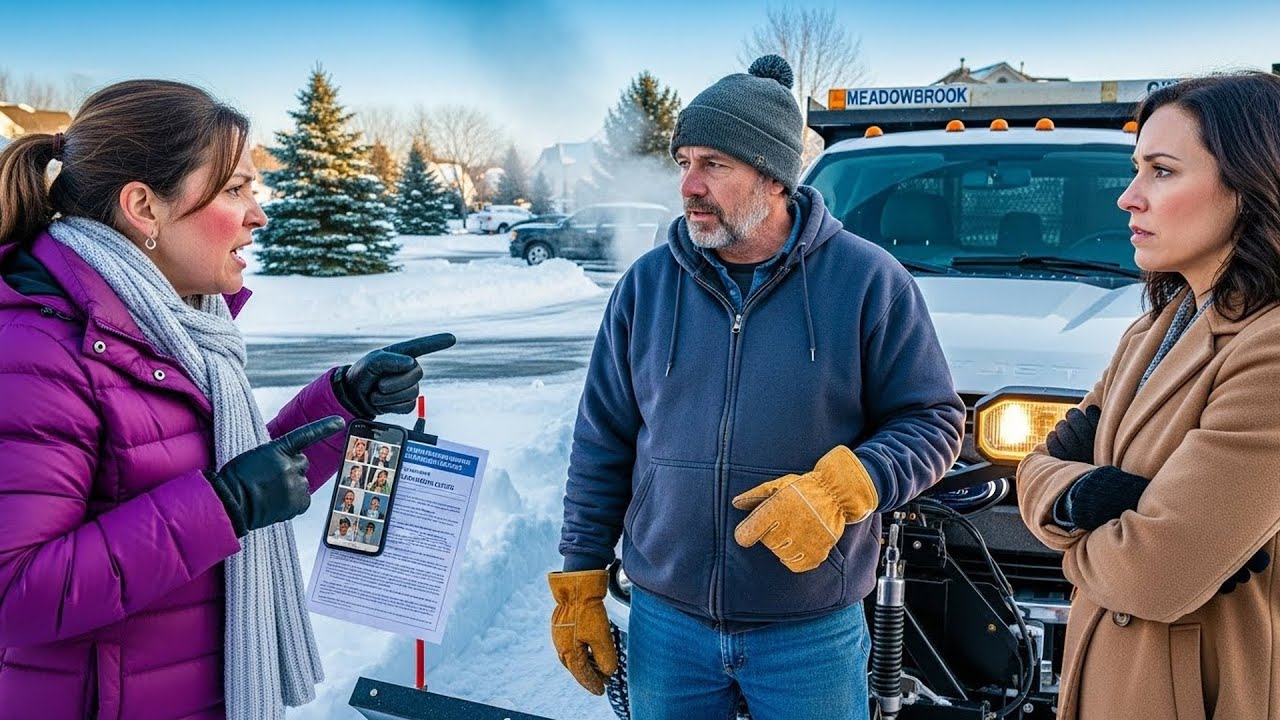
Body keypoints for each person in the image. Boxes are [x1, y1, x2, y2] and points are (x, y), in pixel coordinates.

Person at [0, 79, 454, 720]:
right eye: (235, 190)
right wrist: (223, 506)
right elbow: (14, 592)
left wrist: (345, 401)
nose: (258, 214)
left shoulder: (180, 327)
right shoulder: (39, 351)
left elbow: (235, 473)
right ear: (144, 207)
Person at [549, 56, 963, 719]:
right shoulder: (647, 287)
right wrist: (580, 578)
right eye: (684, 161)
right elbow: (602, 439)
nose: (688, 185)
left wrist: (840, 487)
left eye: (713, 164)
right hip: (667, 626)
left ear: (771, 176)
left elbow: (933, 420)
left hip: (809, 630)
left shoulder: (867, 282)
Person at [1017, 72, 1280, 720]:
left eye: (1161, 171)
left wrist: (1070, 525)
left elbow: (1154, 577)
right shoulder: (1154, 328)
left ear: (1252, 185)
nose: (1128, 198)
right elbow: (1034, 465)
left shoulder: (1269, 350)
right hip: (1105, 681)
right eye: (1137, 169)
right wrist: (1083, 494)